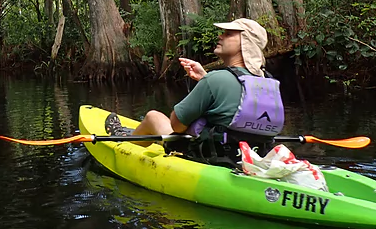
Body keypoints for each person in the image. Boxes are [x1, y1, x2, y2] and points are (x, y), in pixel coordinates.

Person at [106, 18, 285, 163]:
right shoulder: (267, 82)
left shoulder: (216, 80)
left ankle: (124, 142)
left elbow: (176, 125)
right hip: (252, 157)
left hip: (208, 157)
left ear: (245, 43)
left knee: (154, 116)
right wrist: (205, 79)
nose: (220, 36)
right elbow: (238, 103)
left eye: (228, 34)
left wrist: (207, 82)